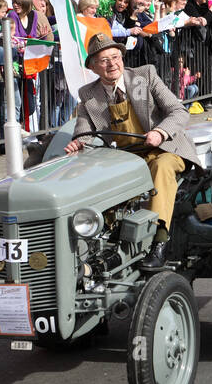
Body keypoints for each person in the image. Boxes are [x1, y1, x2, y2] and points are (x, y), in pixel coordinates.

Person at [65, 35, 195, 269]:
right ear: (93, 67)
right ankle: (101, 241)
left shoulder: (144, 75)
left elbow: (179, 111)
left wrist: (160, 132)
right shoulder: (88, 94)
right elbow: (83, 132)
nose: (112, 64)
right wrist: (78, 143)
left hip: (165, 148)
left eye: (115, 57)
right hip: (126, 158)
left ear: (122, 59)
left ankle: (159, 240)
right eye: (104, 60)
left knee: (161, 166)